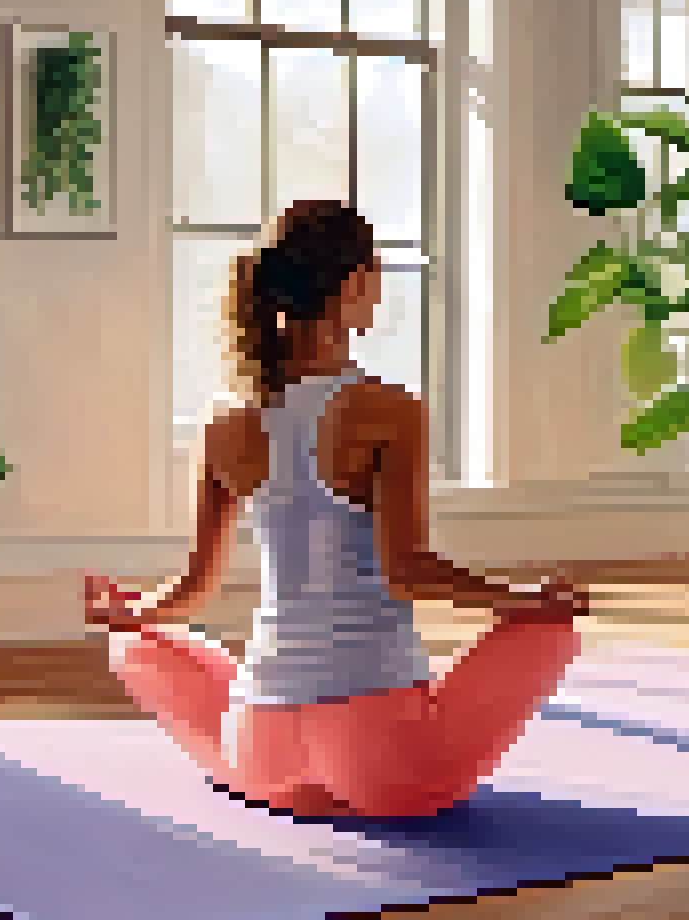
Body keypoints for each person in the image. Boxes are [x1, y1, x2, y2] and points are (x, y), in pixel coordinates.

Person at [84, 199, 590, 819]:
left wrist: (129, 611)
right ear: (352, 285)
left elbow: (193, 590)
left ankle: (227, 715)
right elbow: (407, 570)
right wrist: (527, 598)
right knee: (552, 628)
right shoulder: (391, 410)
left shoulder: (222, 424)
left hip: (260, 754)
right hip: (385, 759)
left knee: (134, 644)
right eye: (375, 276)